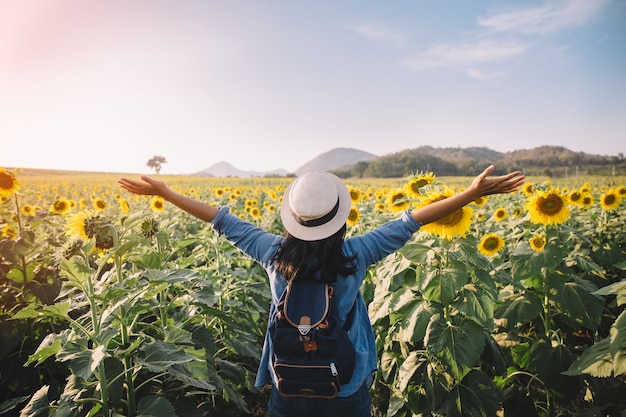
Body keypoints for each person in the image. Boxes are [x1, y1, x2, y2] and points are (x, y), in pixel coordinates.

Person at [118, 165, 525, 417]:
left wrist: (166, 194)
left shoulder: (272, 252)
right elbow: (411, 221)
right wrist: (472, 193)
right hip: (344, 384)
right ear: (340, 219)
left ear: (292, 219)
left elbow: (221, 220)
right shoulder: (357, 253)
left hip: (287, 380)